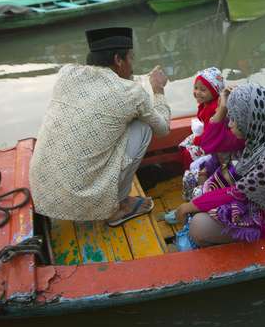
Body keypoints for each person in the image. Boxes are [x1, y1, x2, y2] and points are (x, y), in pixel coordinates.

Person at [29, 28, 170, 224]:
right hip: (81, 197)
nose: (132, 66)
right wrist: (158, 91)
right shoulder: (131, 93)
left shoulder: (66, 73)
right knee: (144, 126)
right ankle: (118, 208)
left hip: (43, 194)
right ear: (118, 60)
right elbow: (163, 130)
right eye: (130, 59)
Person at [175, 84, 265, 247]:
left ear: (250, 118)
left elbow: (237, 193)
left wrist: (188, 207)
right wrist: (223, 107)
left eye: (235, 119)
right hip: (253, 200)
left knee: (198, 226)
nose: (230, 124)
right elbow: (208, 144)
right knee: (203, 195)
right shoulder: (257, 135)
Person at [179, 67, 225, 200]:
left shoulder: (214, 109)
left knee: (188, 152)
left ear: (215, 91)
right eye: (196, 88)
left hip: (212, 144)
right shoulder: (206, 103)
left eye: (203, 90)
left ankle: (192, 176)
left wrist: (198, 139)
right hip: (206, 137)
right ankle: (189, 173)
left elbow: (211, 134)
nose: (197, 92)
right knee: (184, 144)